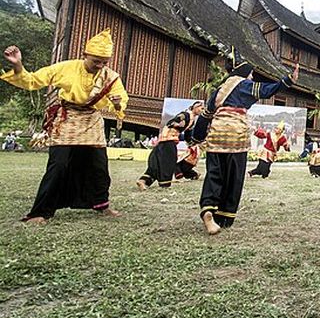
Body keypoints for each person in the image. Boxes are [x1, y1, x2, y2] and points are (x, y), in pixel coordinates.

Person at [1, 29, 127, 223]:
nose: (100, 66)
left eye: (104, 62)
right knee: (58, 165)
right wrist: (18, 65)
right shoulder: (65, 67)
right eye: (96, 61)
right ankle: (41, 211)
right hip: (67, 119)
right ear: (85, 55)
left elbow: (119, 102)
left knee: (99, 167)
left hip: (92, 120)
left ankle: (102, 205)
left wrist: (117, 104)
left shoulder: (111, 76)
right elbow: (33, 80)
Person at [192, 61, 298, 235]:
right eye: (251, 74)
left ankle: (208, 211)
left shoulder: (219, 90)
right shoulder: (244, 84)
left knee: (214, 174)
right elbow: (266, 90)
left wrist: (196, 137)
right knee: (234, 176)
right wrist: (288, 80)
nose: (252, 77)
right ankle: (225, 216)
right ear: (244, 73)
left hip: (216, 136)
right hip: (236, 137)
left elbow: (205, 116)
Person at [136, 101, 204, 189]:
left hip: (167, 140)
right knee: (169, 161)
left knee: (157, 161)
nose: (202, 110)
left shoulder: (192, 120)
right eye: (201, 108)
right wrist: (177, 123)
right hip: (168, 139)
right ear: (195, 107)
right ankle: (164, 183)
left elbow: (188, 135)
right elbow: (172, 122)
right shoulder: (185, 114)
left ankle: (143, 180)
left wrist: (192, 144)